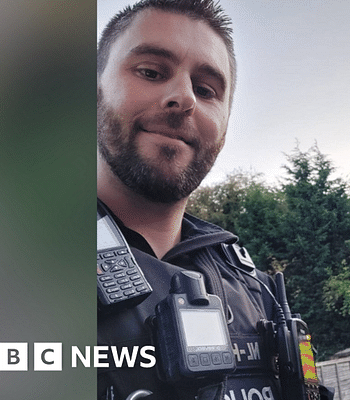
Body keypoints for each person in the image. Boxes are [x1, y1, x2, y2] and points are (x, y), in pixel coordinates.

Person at [96, 1, 330, 399]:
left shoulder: (254, 289)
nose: (183, 98)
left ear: (224, 124)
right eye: (151, 72)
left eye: (207, 90)